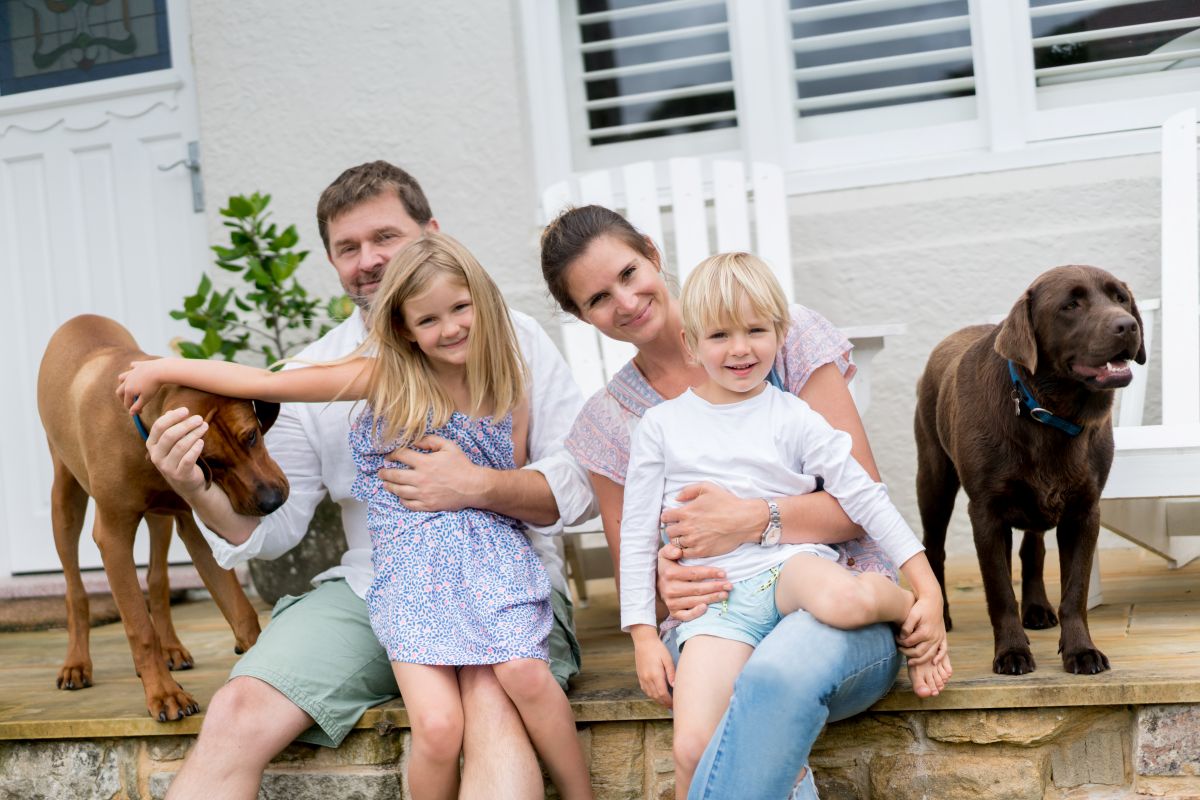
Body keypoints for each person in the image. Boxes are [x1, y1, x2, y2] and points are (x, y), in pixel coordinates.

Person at [141, 162, 594, 800]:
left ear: (433, 234)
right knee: (236, 713)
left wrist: (477, 486)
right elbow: (271, 531)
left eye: (385, 237)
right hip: (375, 584)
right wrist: (193, 485)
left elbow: (575, 488)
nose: (369, 260)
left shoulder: (508, 339)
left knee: (490, 709)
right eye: (347, 248)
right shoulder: (322, 369)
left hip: (498, 573)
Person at [539, 205, 948, 799]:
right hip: (720, 614)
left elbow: (860, 496)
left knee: (769, 684)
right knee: (699, 742)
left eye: (628, 273)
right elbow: (638, 559)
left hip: (821, 589)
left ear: (653, 254)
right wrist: (658, 593)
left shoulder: (782, 342)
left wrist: (754, 520)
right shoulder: (619, 422)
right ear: (581, 316)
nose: (625, 302)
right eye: (599, 298)